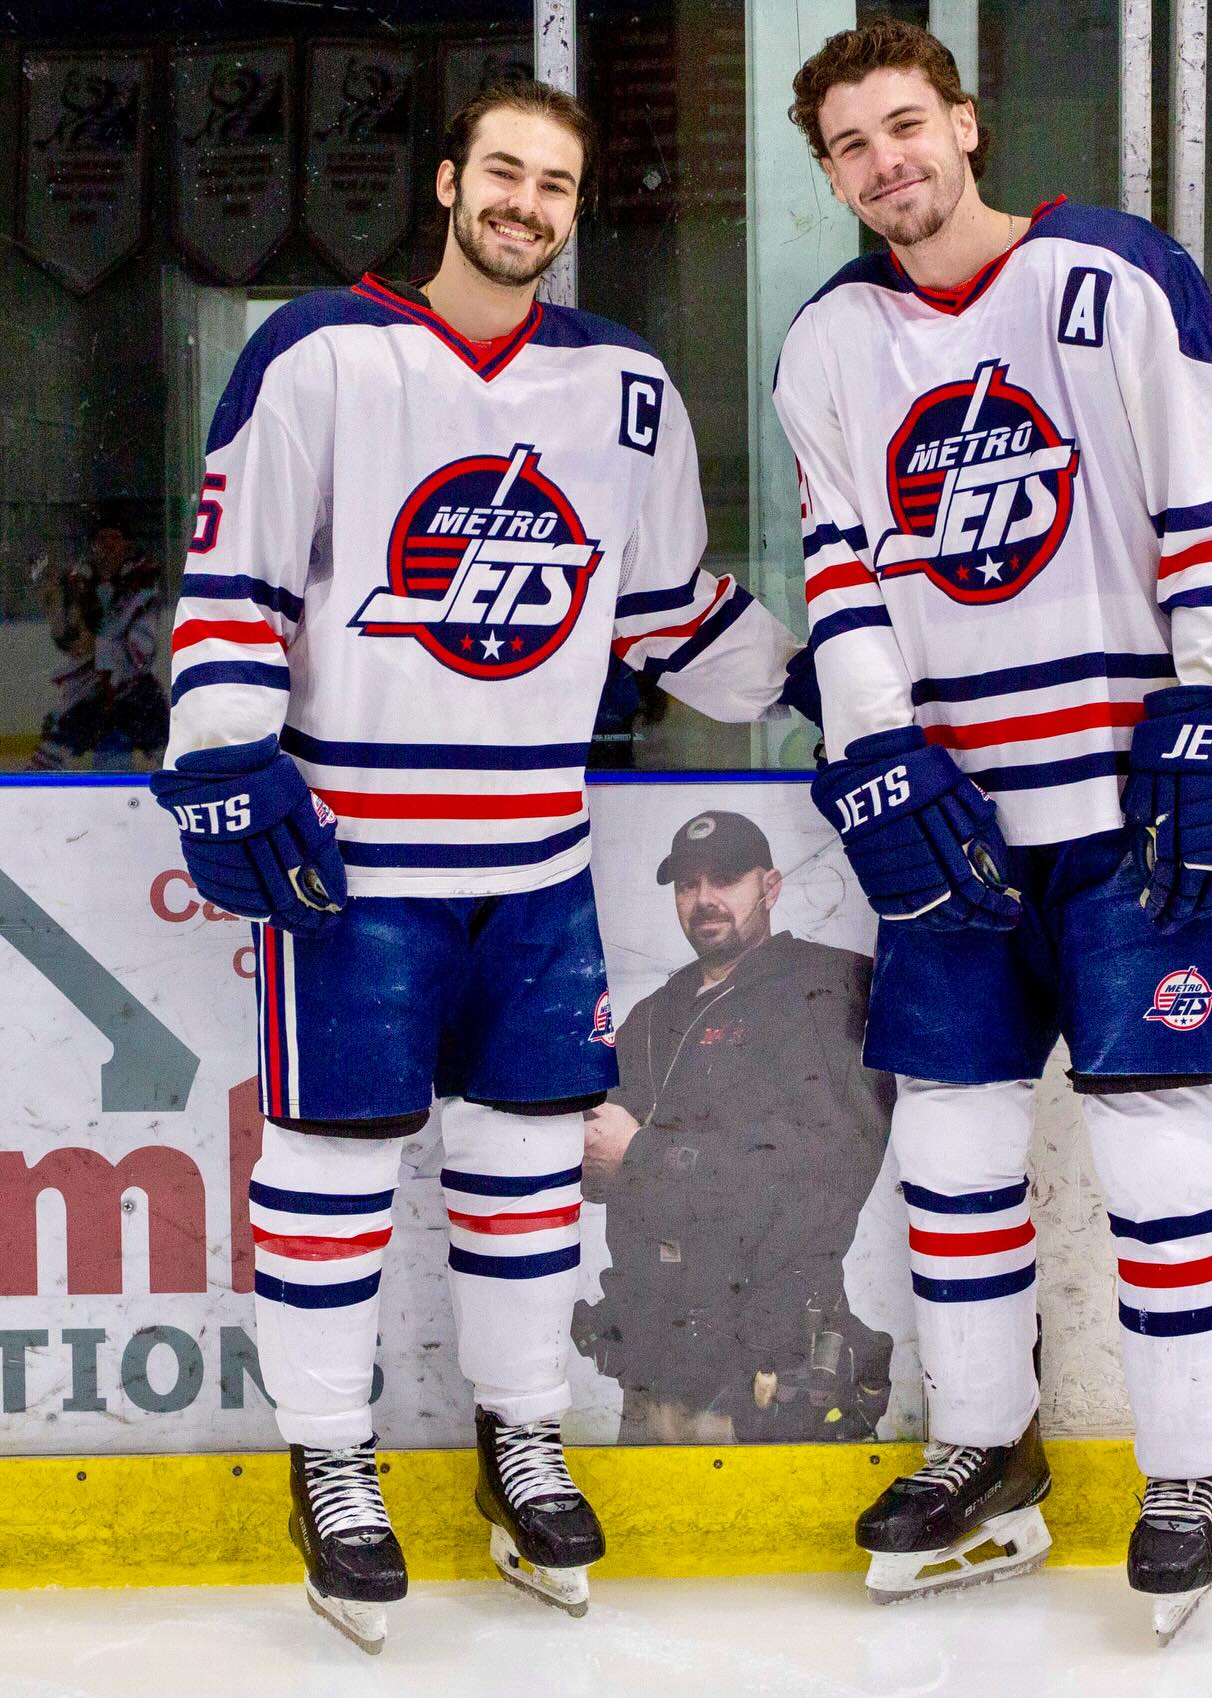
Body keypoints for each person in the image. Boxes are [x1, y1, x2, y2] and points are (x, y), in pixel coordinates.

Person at [150, 80, 809, 1651]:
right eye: (501, 171)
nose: (525, 201)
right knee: (331, 1170)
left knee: (526, 1171)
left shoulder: (626, 389)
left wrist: (835, 692)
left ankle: (522, 1437)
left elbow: (666, 608)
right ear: (449, 181)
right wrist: (224, 756)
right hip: (357, 868)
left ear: (576, 211)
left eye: (556, 184)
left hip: (537, 863)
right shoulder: (317, 353)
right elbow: (237, 576)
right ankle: (330, 1459)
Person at [773, 19, 1212, 1641]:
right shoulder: (829, 345)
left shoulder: (1116, 276)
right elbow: (844, 577)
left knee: (1155, 1137)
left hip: (1129, 798)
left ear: (967, 121)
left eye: (905, 124)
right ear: (833, 173)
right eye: (852, 145)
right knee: (950, 1141)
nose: (887, 163)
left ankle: (1190, 1470)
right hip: (962, 824)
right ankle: (988, 1447)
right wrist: (879, 755)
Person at [575, 809, 893, 1443]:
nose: (704, 899)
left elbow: (825, 1171)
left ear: (769, 886)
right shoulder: (653, 1015)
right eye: (687, 885)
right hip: (652, 1362)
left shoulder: (828, 988)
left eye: (725, 878)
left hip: (771, 1369)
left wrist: (638, 1157)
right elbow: (600, 1160)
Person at [31, 512, 166, 770]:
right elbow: (68, 640)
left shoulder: (143, 587)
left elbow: (142, 652)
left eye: (115, 538)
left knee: (161, 744)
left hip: (133, 691)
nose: (108, 546)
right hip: (90, 691)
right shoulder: (79, 585)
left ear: (126, 545)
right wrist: (58, 614)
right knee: (58, 747)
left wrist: (96, 647)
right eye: (102, 539)